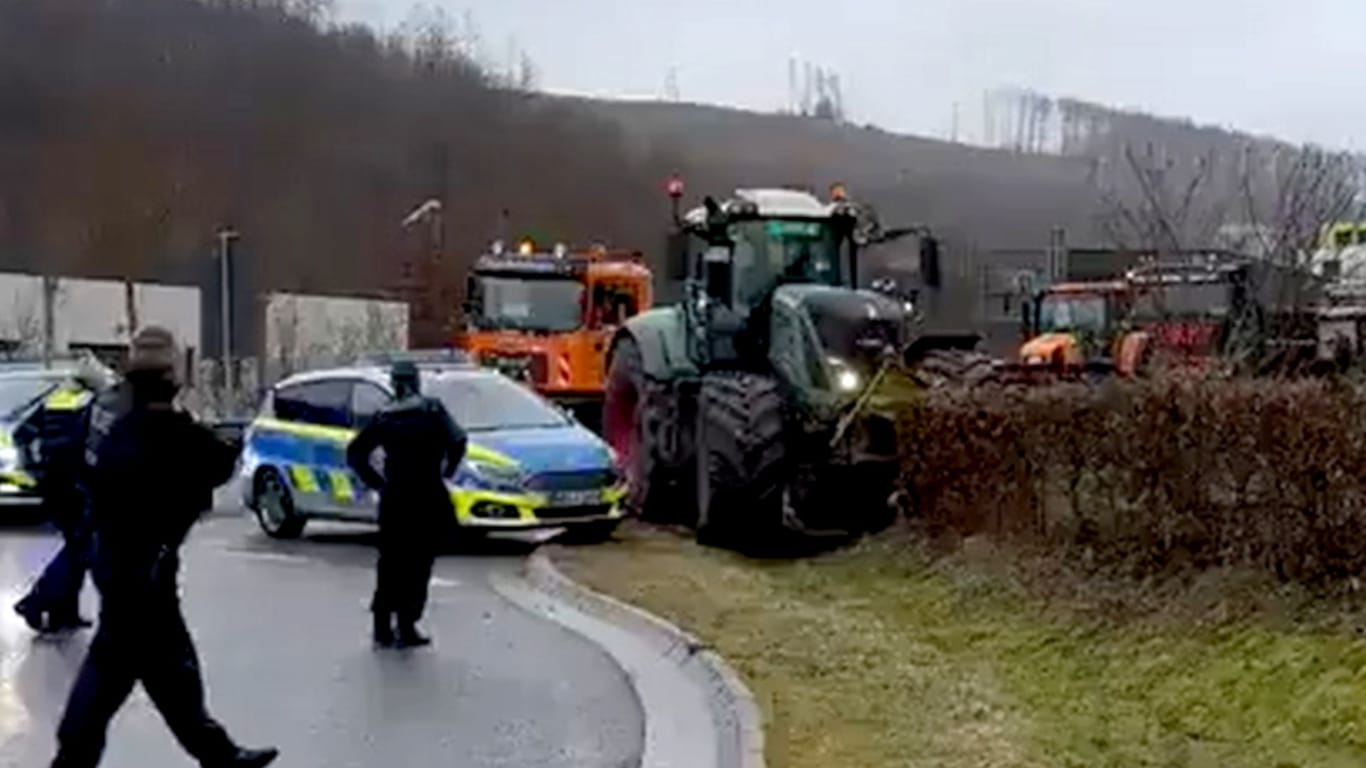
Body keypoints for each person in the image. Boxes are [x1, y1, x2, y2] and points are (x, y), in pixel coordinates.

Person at [50, 326, 278, 768]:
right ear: (172, 375)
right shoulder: (168, 429)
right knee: (124, 668)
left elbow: (74, 463)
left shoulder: (107, 417)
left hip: (116, 559)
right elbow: (216, 462)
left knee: (161, 665)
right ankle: (75, 761)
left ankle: (218, 752)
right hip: (145, 567)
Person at [346, 361, 467, 649]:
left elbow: (356, 452)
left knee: (390, 561)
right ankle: (406, 623)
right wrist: (446, 471)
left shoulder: (384, 416)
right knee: (419, 562)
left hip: (395, 497)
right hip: (426, 494)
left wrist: (377, 483)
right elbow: (459, 441)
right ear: (416, 381)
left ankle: (381, 625)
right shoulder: (432, 411)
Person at [13, 375, 100, 633]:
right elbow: (90, 446)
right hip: (77, 483)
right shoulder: (91, 406)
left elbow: (21, 434)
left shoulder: (54, 402)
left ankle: (63, 614)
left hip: (52, 482)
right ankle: (35, 600)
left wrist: (33, 468)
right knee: (80, 549)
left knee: (77, 547)